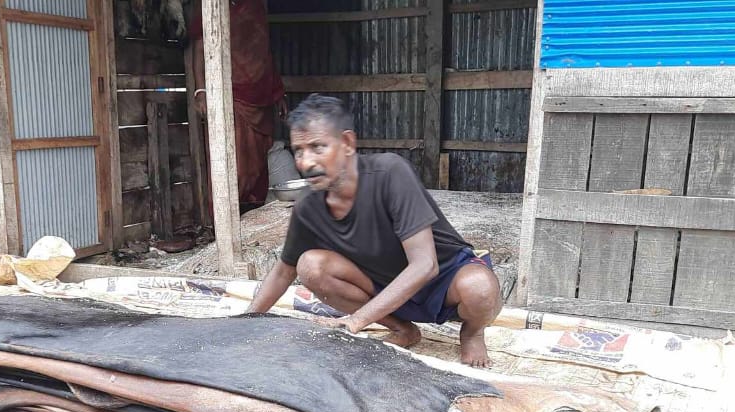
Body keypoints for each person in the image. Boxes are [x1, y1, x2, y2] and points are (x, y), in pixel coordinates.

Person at [244, 94, 503, 367]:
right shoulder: (308, 205)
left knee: (480, 288)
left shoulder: (390, 173)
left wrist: (356, 321)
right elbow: (285, 271)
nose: (306, 162)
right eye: (298, 150)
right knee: (310, 266)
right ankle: (402, 328)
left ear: (347, 143)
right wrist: (245, 321)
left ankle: (472, 333)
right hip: (384, 292)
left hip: (443, 281)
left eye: (317, 147)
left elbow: (425, 265)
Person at [188, 0, 286, 211]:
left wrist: (278, 93)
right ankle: (228, 220)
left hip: (261, 95)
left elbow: (264, 52)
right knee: (235, 164)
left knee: (259, 166)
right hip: (231, 95)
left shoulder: (257, 6)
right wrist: (201, 91)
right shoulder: (212, 6)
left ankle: (253, 216)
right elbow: (199, 48)